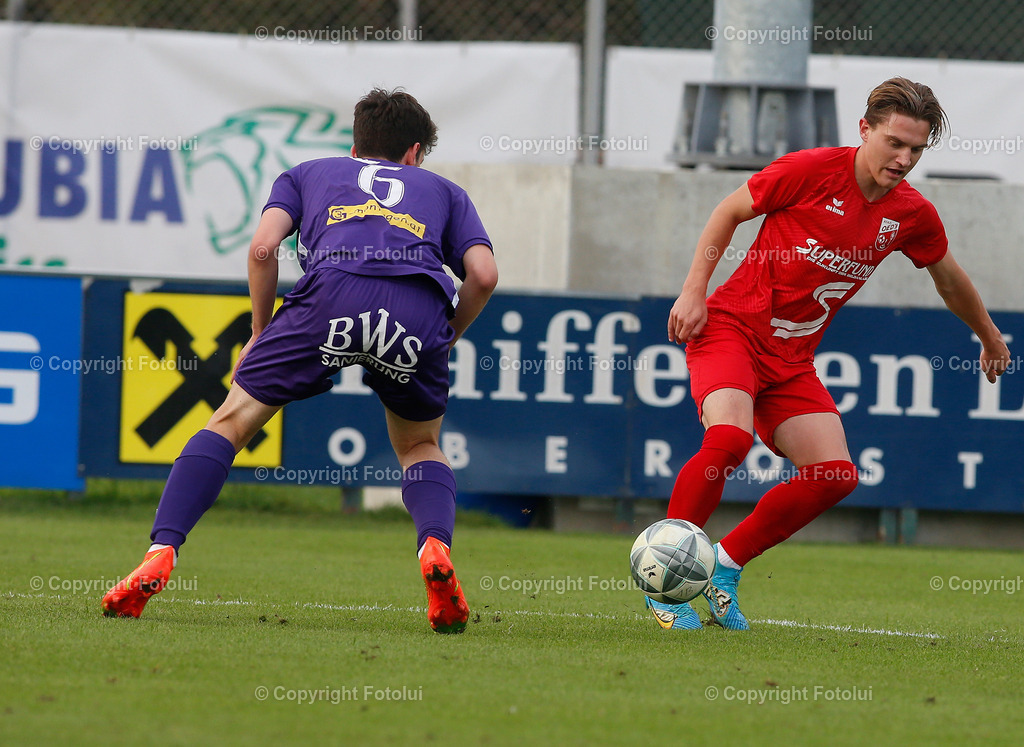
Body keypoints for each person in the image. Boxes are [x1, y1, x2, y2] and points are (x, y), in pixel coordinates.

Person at [102, 88, 498, 634]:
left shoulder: (307, 173)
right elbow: (483, 276)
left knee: (231, 421)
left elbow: (263, 249)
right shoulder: (446, 192)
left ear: (356, 143)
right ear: (413, 152)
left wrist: (262, 329)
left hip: (328, 296)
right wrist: (448, 332)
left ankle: (161, 551)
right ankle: (433, 546)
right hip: (415, 310)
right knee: (420, 445)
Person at [647, 77, 1011, 631]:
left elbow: (949, 279)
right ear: (864, 130)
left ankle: (723, 565)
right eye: (894, 142)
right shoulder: (810, 170)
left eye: (916, 149)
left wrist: (988, 335)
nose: (904, 158)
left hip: (791, 360)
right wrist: (694, 289)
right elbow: (728, 212)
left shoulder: (911, 213)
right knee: (729, 438)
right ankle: (665, 584)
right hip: (732, 330)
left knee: (836, 474)